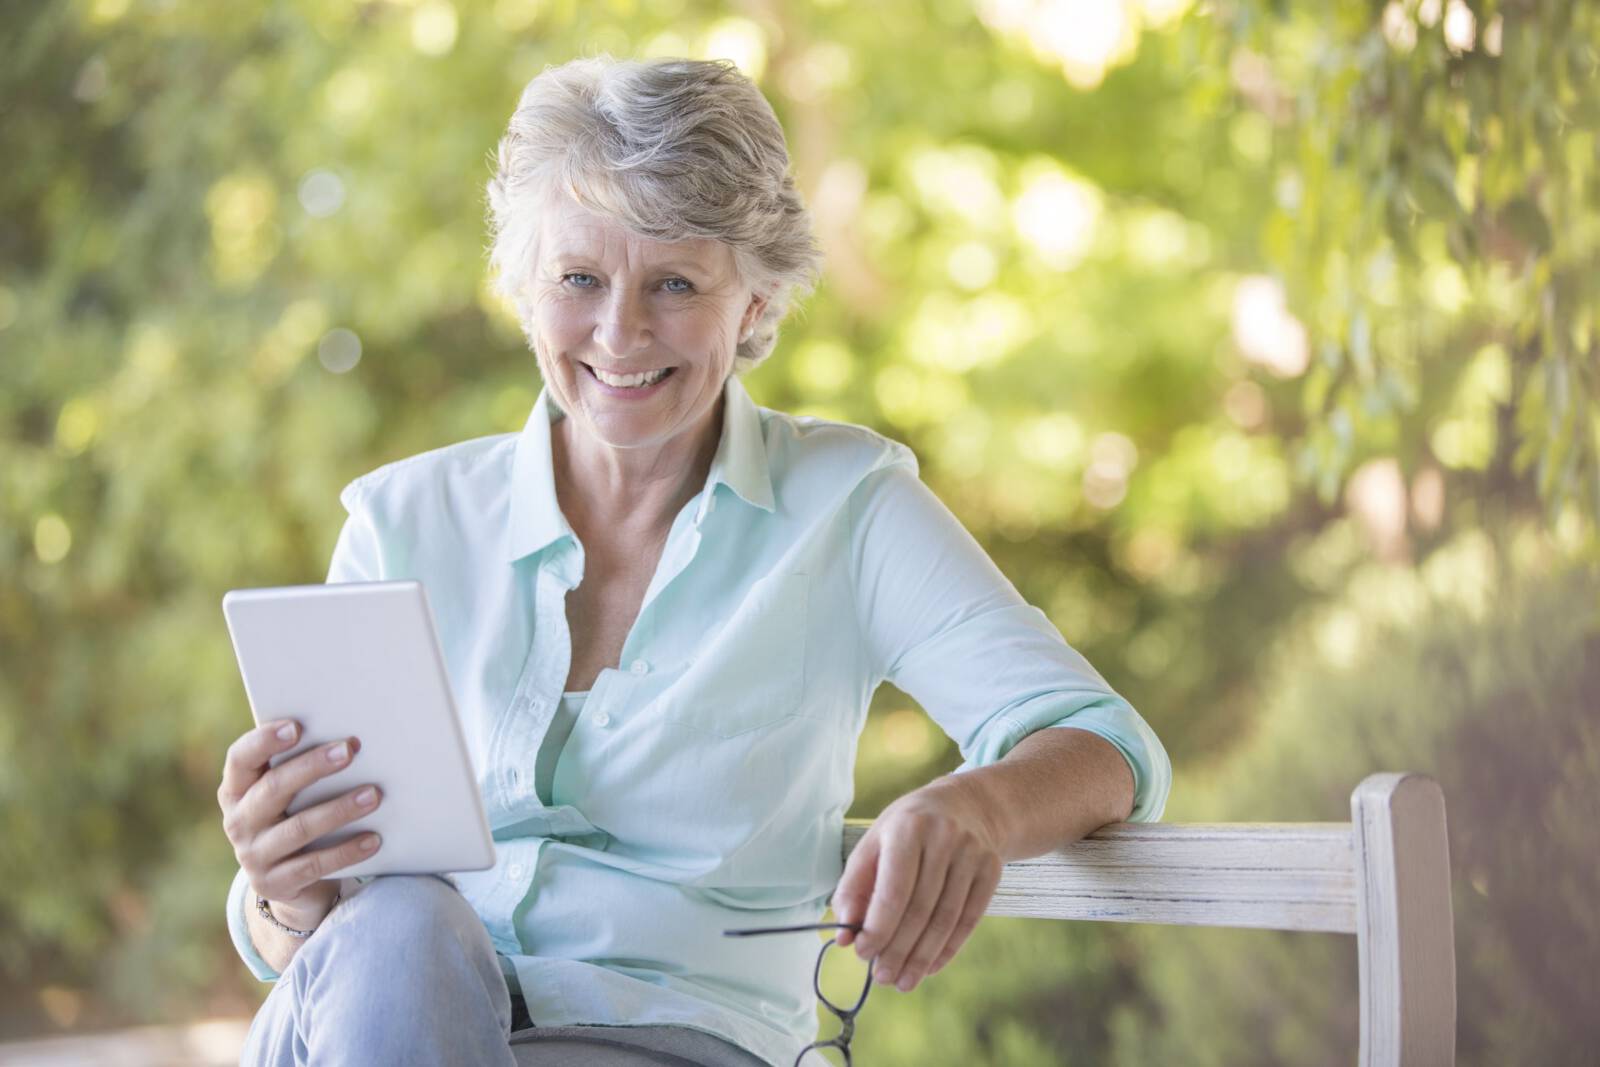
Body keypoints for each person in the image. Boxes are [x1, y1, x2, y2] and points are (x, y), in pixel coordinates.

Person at [216, 55, 1172, 1067]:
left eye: (673, 282)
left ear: (755, 303)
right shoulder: (400, 521)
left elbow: (1105, 742)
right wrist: (284, 887)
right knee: (404, 924)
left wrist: (975, 802)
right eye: (579, 279)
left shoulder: (846, 509)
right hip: (378, 1018)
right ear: (524, 289)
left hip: (664, 1041)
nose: (619, 332)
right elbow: (302, 947)